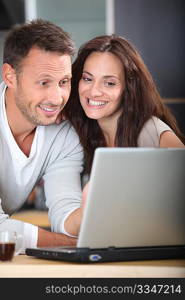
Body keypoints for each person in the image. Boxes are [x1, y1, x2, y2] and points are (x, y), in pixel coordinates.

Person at [64, 34, 185, 236]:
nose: (94, 91)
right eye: (87, 79)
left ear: (128, 88)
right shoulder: (83, 127)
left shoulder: (154, 133)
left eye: (109, 83)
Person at [0, 19, 84, 251]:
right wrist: (75, 245)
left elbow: (64, 215)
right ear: (10, 76)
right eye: (44, 82)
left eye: (63, 82)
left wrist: (89, 211)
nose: (57, 98)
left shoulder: (64, 135)